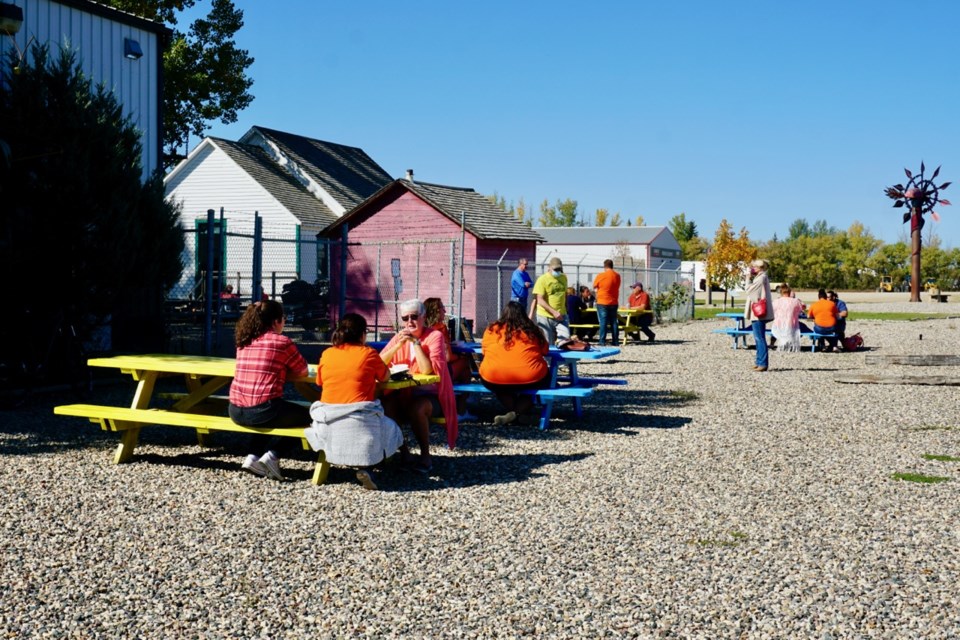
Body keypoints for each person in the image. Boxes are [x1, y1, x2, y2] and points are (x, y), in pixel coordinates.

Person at [305, 313, 403, 490]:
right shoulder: (368, 354)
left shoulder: (327, 354)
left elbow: (320, 382)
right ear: (363, 334)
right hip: (361, 419)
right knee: (391, 427)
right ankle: (373, 467)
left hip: (329, 420)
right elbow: (385, 377)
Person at [228, 300, 311, 481]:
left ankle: (253, 456)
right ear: (275, 321)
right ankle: (273, 456)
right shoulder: (282, 342)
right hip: (263, 410)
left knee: (263, 406)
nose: (284, 322)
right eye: (283, 319)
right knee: (313, 418)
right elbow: (303, 370)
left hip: (235, 409)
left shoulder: (244, 340)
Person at [379, 299, 458, 473]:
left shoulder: (434, 336)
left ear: (423, 317)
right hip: (404, 393)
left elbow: (427, 370)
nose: (409, 322)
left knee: (418, 408)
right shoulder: (399, 337)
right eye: (405, 318)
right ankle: (405, 453)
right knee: (385, 406)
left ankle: (425, 455)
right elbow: (378, 363)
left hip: (434, 396)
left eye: (414, 316)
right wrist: (398, 345)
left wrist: (415, 344)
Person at [479, 301, 550, 426]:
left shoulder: (491, 330)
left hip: (494, 376)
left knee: (499, 386)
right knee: (540, 382)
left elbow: (484, 351)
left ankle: (513, 414)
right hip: (530, 376)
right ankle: (517, 414)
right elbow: (545, 350)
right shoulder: (532, 330)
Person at [423, 297, 475, 421]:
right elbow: (448, 357)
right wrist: (460, 356)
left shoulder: (423, 328)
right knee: (465, 364)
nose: (445, 311)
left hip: (425, 369)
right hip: (439, 372)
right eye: (442, 308)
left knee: (463, 370)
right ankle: (462, 407)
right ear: (435, 311)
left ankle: (461, 402)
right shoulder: (440, 328)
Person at [532, 257, 571, 346]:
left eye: (559, 269)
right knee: (547, 344)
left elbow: (564, 295)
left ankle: (562, 359)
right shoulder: (542, 279)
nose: (557, 271)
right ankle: (547, 360)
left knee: (565, 340)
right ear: (549, 267)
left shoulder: (563, 278)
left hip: (561, 315)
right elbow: (539, 299)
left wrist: (566, 308)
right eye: (555, 269)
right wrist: (553, 312)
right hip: (545, 316)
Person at [743, 259, 774, 371]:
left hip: (758, 313)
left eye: (755, 267)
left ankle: (763, 363)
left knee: (759, 338)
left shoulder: (761, 278)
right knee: (758, 337)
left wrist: (747, 278)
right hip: (759, 312)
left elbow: (749, 290)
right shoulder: (762, 277)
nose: (753, 268)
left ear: (760, 268)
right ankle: (759, 361)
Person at [592, 259, 622, 347]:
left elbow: (595, 286)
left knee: (603, 322)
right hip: (613, 301)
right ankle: (615, 341)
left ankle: (602, 341)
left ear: (604, 266)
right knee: (614, 322)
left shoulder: (601, 275)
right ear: (612, 266)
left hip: (602, 301)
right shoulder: (617, 276)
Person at [770, 284, 804, 352]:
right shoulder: (795, 301)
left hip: (778, 325)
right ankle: (789, 344)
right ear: (789, 292)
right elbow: (803, 307)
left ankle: (772, 344)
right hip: (791, 325)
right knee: (800, 328)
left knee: (775, 328)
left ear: (781, 292)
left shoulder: (776, 301)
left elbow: (772, 310)